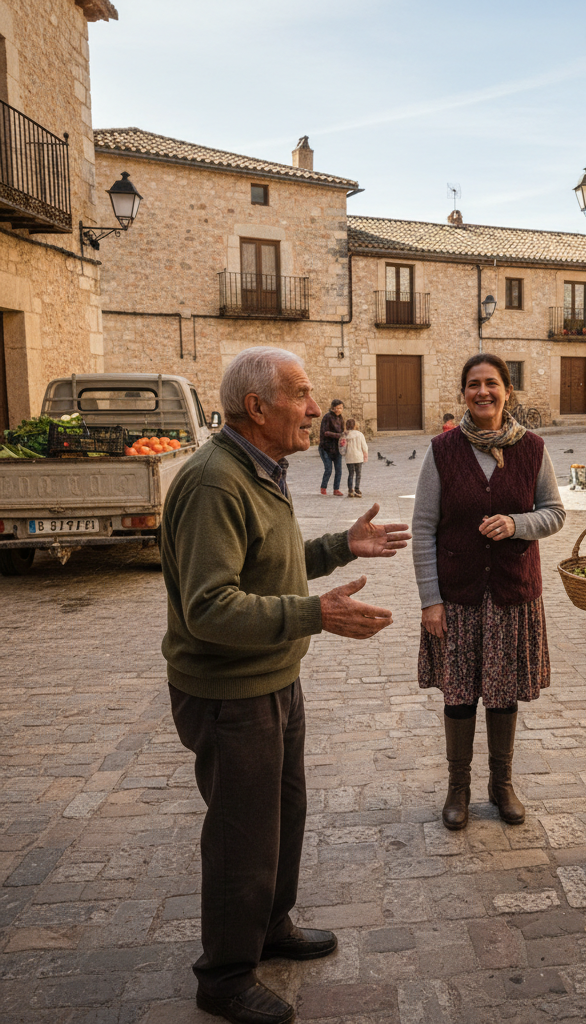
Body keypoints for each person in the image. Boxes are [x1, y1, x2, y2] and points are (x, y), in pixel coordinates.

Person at [161, 347, 410, 1024]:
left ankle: (269, 927)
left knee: (283, 815)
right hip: (230, 692)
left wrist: (337, 549)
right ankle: (225, 975)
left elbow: (265, 564)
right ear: (257, 408)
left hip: (272, 678)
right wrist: (316, 613)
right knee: (243, 833)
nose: (313, 409)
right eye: (300, 395)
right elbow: (210, 607)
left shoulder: (257, 470)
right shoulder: (215, 482)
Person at [413, 353, 565, 830]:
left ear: (506, 391)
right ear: (463, 394)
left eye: (492, 384)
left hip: (511, 594)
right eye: (474, 384)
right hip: (456, 597)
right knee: (458, 694)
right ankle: (458, 787)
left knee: (502, 694)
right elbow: (422, 530)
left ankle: (502, 785)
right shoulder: (442, 451)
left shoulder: (533, 449)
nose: (483, 392)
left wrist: (517, 523)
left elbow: (556, 513)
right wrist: (430, 600)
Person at [318, 398, 346, 496]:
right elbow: (325, 432)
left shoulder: (341, 418)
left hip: (337, 448)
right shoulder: (327, 417)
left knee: (339, 470)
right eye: (337, 408)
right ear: (333, 408)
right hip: (325, 447)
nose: (339, 410)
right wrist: (339, 435)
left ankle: (336, 489)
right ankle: (323, 487)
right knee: (328, 469)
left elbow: (343, 432)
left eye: (341, 408)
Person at [344, 417, 368, 497]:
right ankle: (357, 489)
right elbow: (364, 446)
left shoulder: (344, 435)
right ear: (355, 425)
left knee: (350, 473)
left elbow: (341, 446)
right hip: (358, 457)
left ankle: (350, 490)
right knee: (358, 473)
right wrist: (365, 454)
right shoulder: (360, 434)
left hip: (349, 457)